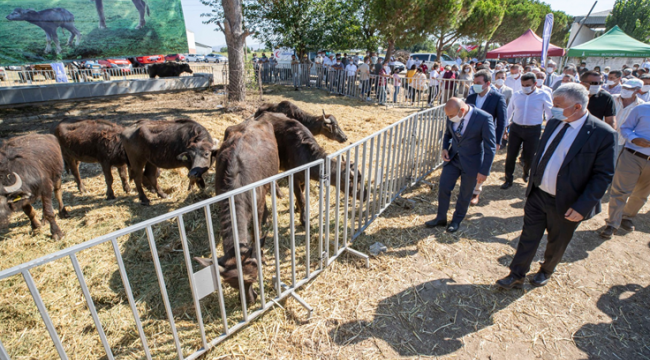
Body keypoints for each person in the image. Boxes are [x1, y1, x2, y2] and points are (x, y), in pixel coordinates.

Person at [496, 83, 617, 289]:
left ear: (577, 107)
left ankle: (546, 270)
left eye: (558, 105)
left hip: (568, 202)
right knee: (528, 237)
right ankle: (516, 274)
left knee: (557, 241)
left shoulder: (602, 133)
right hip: (538, 194)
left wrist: (582, 206)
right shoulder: (554, 122)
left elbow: (603, 175)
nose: (553, 108)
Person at [425, 98, 496, 233]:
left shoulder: (484, 118)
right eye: (448, 116)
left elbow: (490, 147)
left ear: (462, 110)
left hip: (472, 163)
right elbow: (447, 134)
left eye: (451, 116)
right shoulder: (451, 114)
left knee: (465, 193)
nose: (449, 118)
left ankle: (457, 220)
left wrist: (484, 171)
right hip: (453, 159)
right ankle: (440, 218)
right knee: (444, 187)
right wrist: (445, 148)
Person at [600, 101, 650, 239]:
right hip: (633, 156)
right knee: (621, 191)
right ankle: (612, 223)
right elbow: (625, 128)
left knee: (641, 195)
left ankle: (626, 216)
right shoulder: (642, 109)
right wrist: (635, 139)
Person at [502, 72, 553, 189]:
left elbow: (549, 114)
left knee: (530, 156)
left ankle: (526, 173)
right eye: (523, 84)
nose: (525, 87)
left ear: (535, 83)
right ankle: (508, 179)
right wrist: (505, 127)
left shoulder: (543, 95)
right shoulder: (517, 95)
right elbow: (509, 111)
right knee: (511, 155)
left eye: (528, 85)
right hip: (516, 128)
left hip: (533, 130)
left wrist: (549, 129)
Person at [466, 70, 508, 205]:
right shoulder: (471, 98)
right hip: (471, 137)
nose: (475, 85)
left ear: (488, 83)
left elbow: (502, 120)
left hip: (487, 136)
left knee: (483, 163)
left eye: (479, 83)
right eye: (474, 83)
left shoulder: (497, 97)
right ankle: (467, 188)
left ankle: (476, 192)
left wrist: (498, 140)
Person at [609, 79, 646, 156]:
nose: (625, 90)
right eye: (624, 88)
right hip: (604, 138)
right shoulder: (611, 98)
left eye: (629, 89)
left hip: (622, 142)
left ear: (638, 90)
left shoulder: (641, 106)